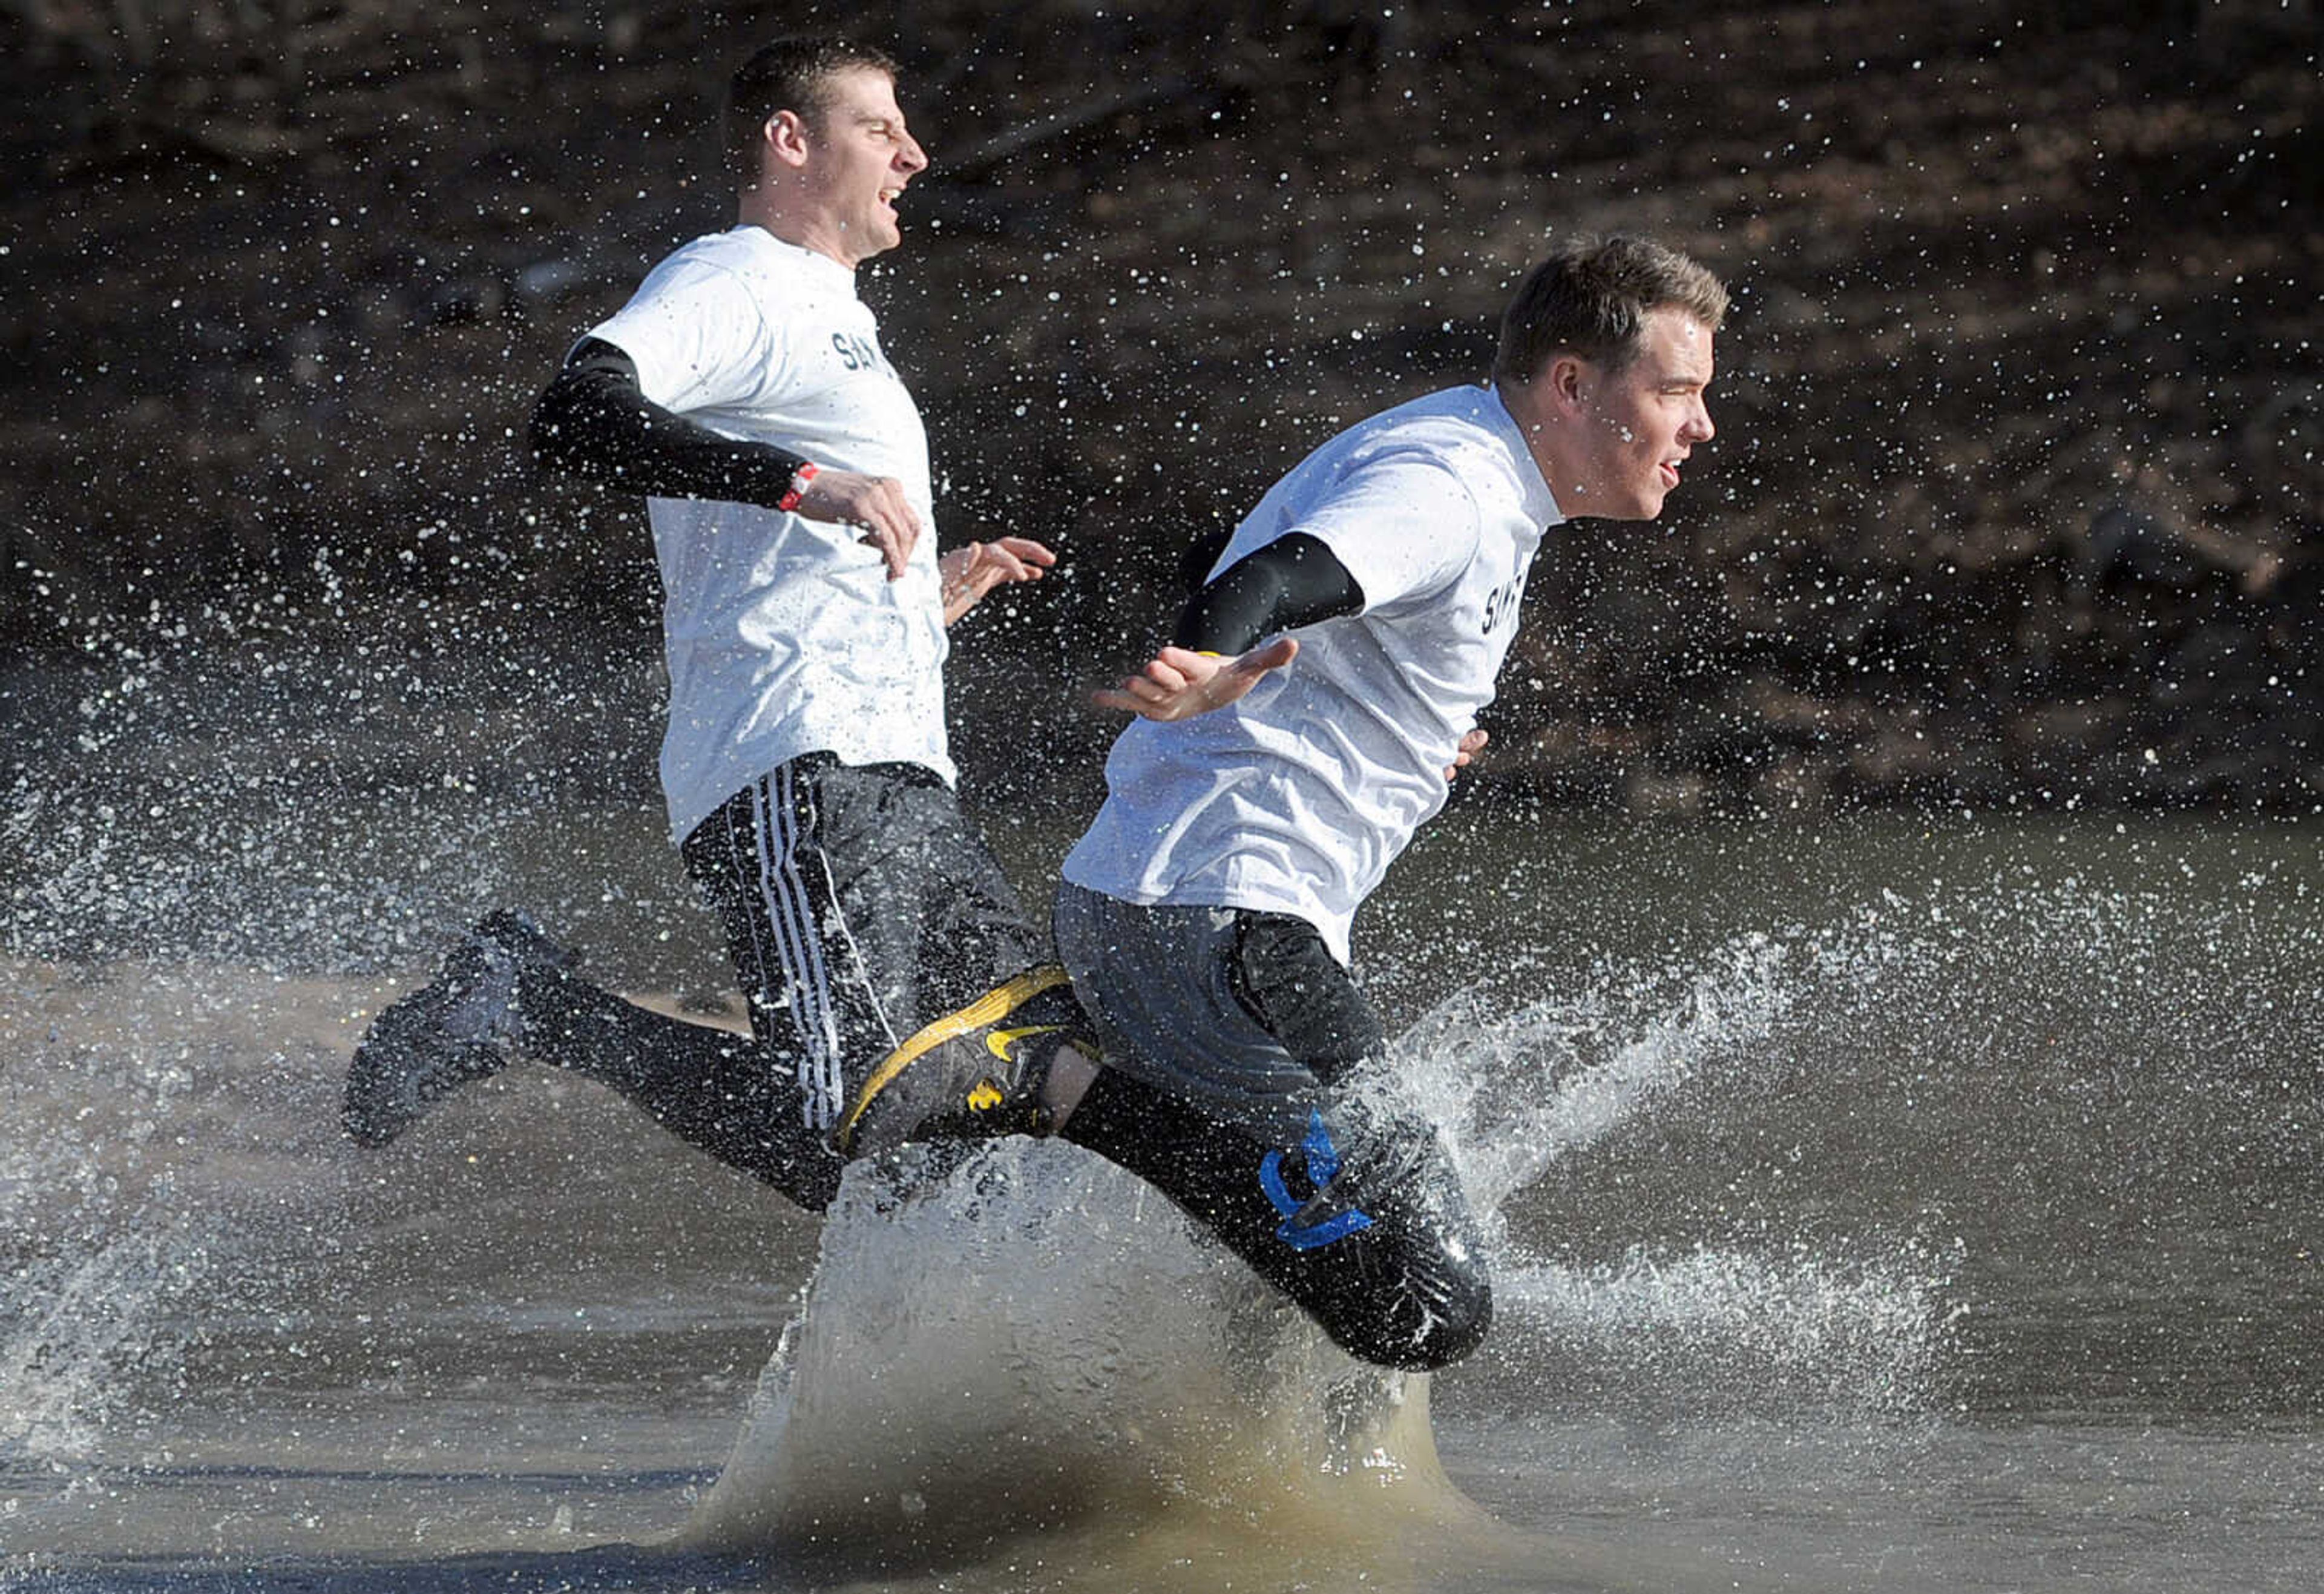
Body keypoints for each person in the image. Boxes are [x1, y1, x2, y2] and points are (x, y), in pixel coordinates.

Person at [342, 35, 1095, 1213]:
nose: (915, 153)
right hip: (797, 774)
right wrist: (803, 484)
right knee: (852, 1128)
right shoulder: (736, 278)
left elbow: (785, 566)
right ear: (791, 143)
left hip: (902, 776)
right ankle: (538, 1005)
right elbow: (576, 414)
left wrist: (921, 607)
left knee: (1024, 1093)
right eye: (880, 129)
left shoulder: (840, 321)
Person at [1032, 234, 1730, 1371]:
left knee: (1307, 1283)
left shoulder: (1468, 454)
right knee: (1424, 1302)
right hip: (1224, 931)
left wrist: (1398, 730)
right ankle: (1046, 1080)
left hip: (1181, 918)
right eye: (1676, 392)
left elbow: (1250, 553)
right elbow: (1274, 573)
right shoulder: (1451, 488)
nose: (1699, 427)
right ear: (1570, 384)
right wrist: (1207, 659)